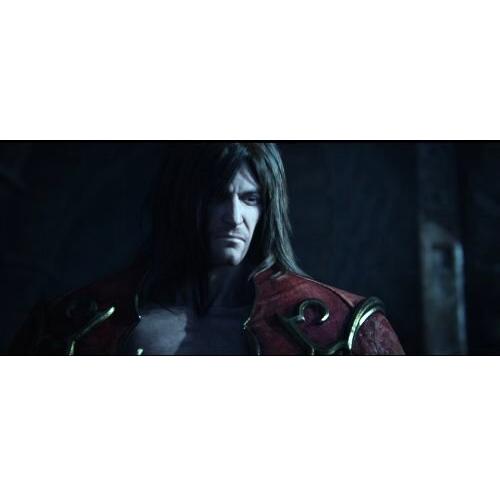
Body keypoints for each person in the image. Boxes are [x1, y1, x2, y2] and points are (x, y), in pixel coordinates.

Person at [10, 142, 404, 355]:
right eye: (218, 196)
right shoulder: (81, 324)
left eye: (250, 199)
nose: (234, 217)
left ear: (267, 210)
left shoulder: (343, 328)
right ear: (183, 203)